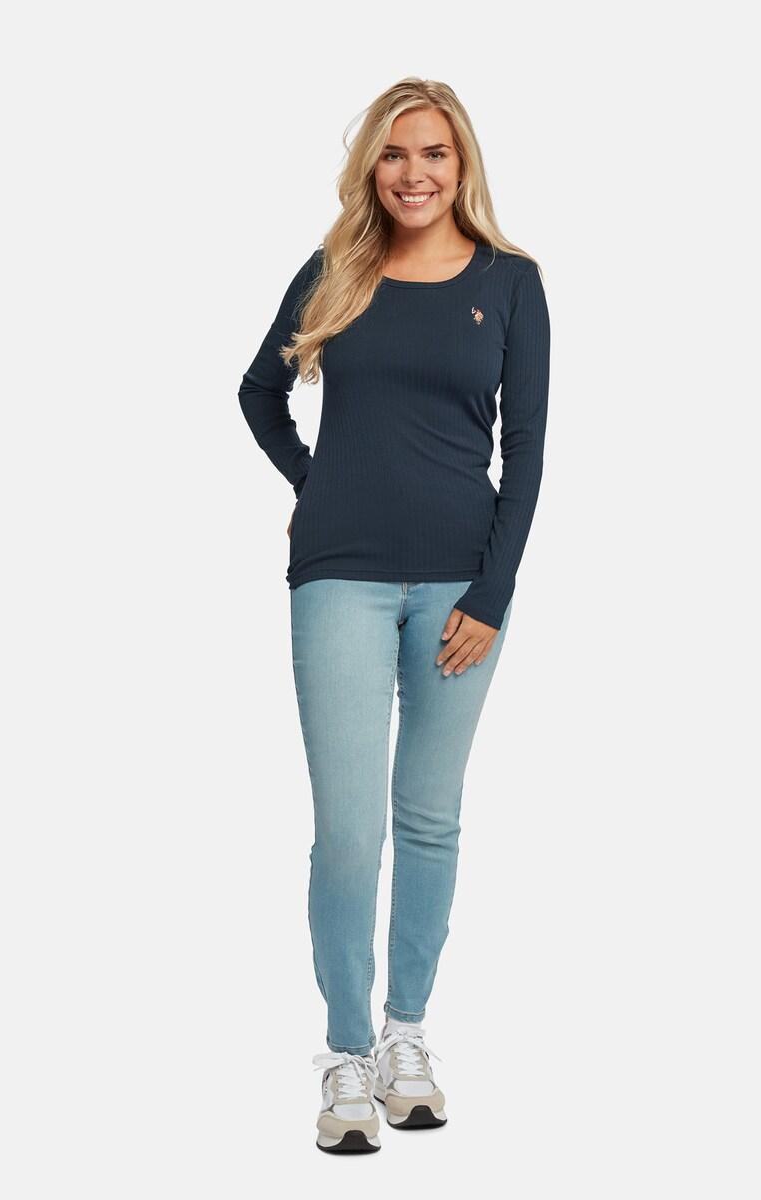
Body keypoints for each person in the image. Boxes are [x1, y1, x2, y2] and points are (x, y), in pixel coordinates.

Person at [237, 77, 550, 1154]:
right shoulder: (336, 270)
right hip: (340, 574)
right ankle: (343, 1051)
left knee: (428, 818)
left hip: (463, 588)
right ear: (371, 166)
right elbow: (258, 392)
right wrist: (313, 482)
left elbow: (528, 453)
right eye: (394, 154)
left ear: (463, 166)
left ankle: (405, 1036)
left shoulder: (512, 283)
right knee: (350, 828)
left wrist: (493, 595)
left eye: (435, 154)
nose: (414, 174)